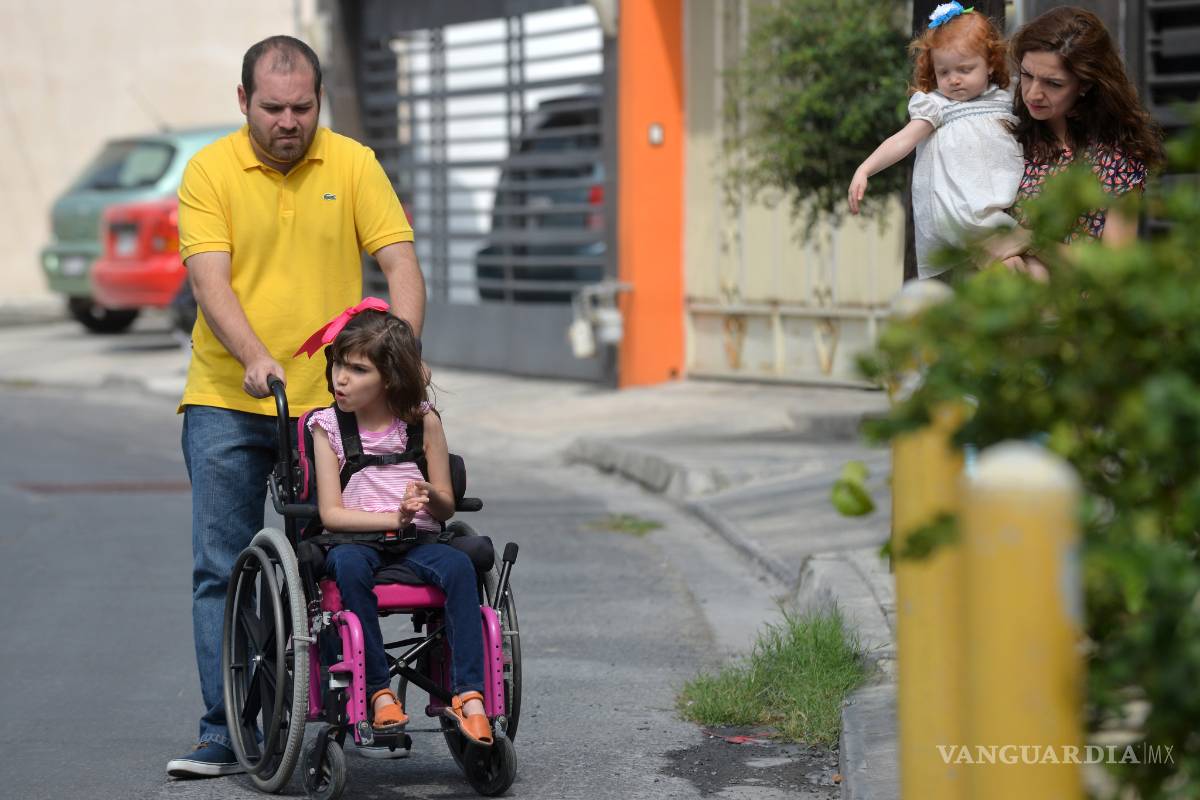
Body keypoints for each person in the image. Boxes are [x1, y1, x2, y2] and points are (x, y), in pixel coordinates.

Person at [167, 35, 426, 779]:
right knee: (221, 566)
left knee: (333, 558)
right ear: (243, 101)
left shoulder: (352, 163)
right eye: (273, 107)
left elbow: (399, 261)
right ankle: (223, 729)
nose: (289, 121)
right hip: (228, 397)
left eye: (303, 107)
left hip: (332, 408)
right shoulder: (209, 171)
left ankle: (330, 704)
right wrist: (253, 355)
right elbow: (210, 281)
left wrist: (397, 358)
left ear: (319, 102)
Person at [304, 305, 493, 746]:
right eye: (337, 364)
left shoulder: (423, 419)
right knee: (348, 568)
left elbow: (446, 508)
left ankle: (470, 694)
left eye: (357, 369)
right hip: (355, 542)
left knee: (461, 569)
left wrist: (429, 495)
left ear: (388, 377)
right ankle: (377, 692)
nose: (340, 378)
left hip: (416, 543)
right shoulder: (327, 426)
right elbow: (330, 514)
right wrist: (395, 516)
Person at [849, 1, 1024, 280]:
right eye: (944, 72)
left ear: (990, 64)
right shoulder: (937, 106)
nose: (954, 80)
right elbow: (902, 141)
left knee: (1026, 269)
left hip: (999, 208)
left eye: (964, 69)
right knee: (1011, 267)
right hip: (964, 215)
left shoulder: (1007, 97)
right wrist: (865, 168)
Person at [1007, 6, 1164, 251]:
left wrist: (1032, 242)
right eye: (1026, 75)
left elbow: (1112, 268)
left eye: (1053, 83)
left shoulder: (1116, 156)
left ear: (1085, 85)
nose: (1033, 93)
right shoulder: (1005, 132)